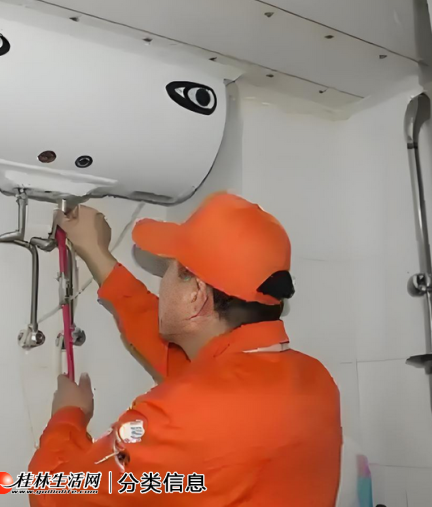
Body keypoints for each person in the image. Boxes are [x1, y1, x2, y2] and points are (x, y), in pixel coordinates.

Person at [27, 192, 342, 506]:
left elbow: (53, 494)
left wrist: (68, 416)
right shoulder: (314, 380)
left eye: (169, 270)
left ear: (196, 295)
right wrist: (97, 253)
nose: (163, 282)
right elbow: (182, 363)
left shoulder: (179, 415)